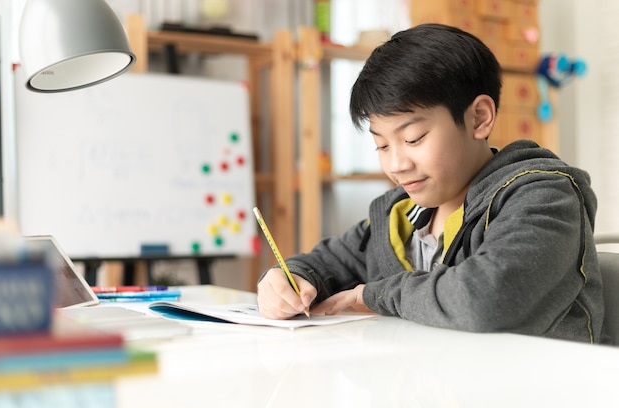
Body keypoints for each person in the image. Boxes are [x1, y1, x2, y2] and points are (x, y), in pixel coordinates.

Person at [256, 23, 607, 344]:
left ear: (479, 118)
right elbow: (330, 262)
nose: (396, 164)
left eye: (414, 138)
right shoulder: (403, 214)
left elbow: (486, 298)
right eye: (381, 145)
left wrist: (372, 295)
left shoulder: (544, 197)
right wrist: (290, 279)